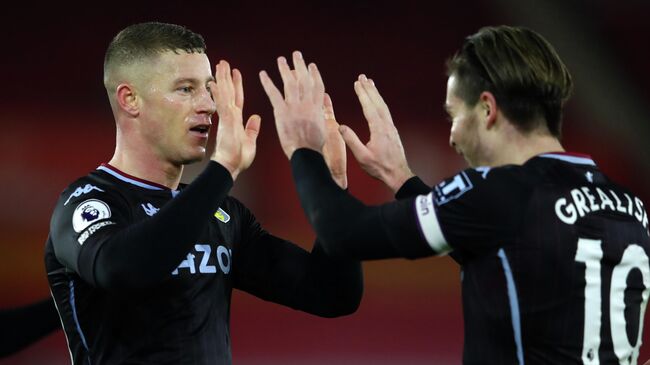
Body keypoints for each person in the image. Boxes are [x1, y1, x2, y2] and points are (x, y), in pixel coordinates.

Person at [259, 26, 650, 364]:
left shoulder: (502, 192)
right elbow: (505, 248)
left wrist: (303, 150)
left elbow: (343, 233)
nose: (451, 136)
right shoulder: (629, 207)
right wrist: (399, 177)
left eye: (453, 115)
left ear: (487, 109)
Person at [45, 22, 362, 365]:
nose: (208, 105)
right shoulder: (87, 203)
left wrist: (333, 188)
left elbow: (332, 294)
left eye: (209, 90)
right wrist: (222, 168)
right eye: (185, 89)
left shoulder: (223, 215)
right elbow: (124, 269)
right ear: (130, 99)